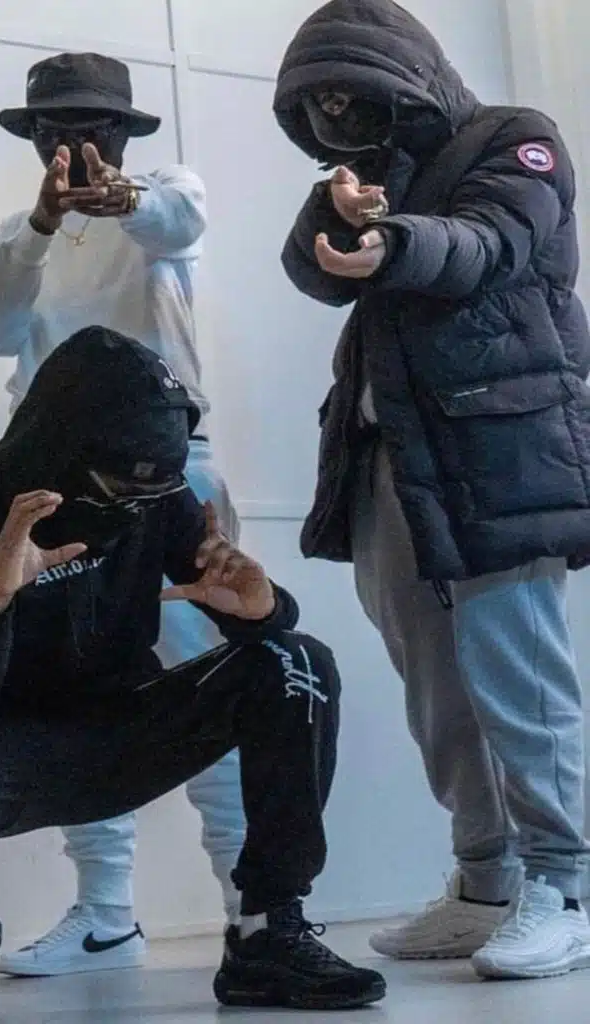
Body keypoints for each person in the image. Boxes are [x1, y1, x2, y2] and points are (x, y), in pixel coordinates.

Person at [0, 326, 387, 1019]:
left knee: (297, 661)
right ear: (59, 450)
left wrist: (263, 609)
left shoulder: (152, 498)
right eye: (119, 486)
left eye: (154, 488)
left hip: (125, 727)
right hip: (7, 748)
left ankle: (266, 932)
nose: (134, 505)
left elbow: (247, 614)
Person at [273, 0, 590, 981]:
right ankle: (485, 881)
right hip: (390, 456)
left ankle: (567, 885)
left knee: (519, 676)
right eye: (321, 103)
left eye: (351, 94)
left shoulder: (516, 138)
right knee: (434, 691)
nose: (337, 114)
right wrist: (341, 214)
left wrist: (394, 240)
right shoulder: (366, 172)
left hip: (504, 452)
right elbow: (310, 271)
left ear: (402, 74)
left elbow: (488, 240)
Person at [0, 49, 246, 977]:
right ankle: (106, 914)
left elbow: (178, 221)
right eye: (54, 129)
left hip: (171, 470)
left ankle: (258, 909)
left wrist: (122, 198)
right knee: (71, 690)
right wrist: (43, 223)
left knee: (213, 677)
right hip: (58, 484)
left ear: (124, 134)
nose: (74, 144)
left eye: (94, 127)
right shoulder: (22, 234)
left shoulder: (169, 193)